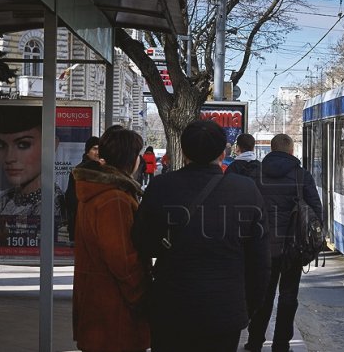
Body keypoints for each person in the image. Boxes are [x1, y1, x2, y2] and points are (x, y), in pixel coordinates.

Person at [132, 120, 270, 352]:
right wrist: (248, 307)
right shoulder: (245, 190)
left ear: (183, 150)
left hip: (171, 307)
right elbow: (260, 262)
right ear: (222, 152)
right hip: (224, 310)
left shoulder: (161, 187)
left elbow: (143, 243)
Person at [71, 127, 150, 352]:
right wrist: (141, 296)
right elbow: (122, 259)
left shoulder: (98, 190)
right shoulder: (114, 198)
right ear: (131, 159)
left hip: (98, 305)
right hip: (115, 311)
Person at [246, 133, 323, 352]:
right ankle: (281, 344)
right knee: (288, 296)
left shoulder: (255, 174)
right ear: (291, 151)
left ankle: (255, 342)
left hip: (262, 248)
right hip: (293, 248)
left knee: (263, 296)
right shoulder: (301, 175)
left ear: (271, 150)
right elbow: (316, 212)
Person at [0, 105, 68, 245]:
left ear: (52, 145)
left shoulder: (55, 203)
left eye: (23, 144)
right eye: (1, 145)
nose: (9, 158)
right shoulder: (3, 200)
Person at [64, 136, 99, 242]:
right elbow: (71, 198)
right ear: (87, 151)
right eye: (94, 148)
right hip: (81, 221)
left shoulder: (104, 170)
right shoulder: (79, 172)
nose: (98, 152)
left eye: (100, 149)